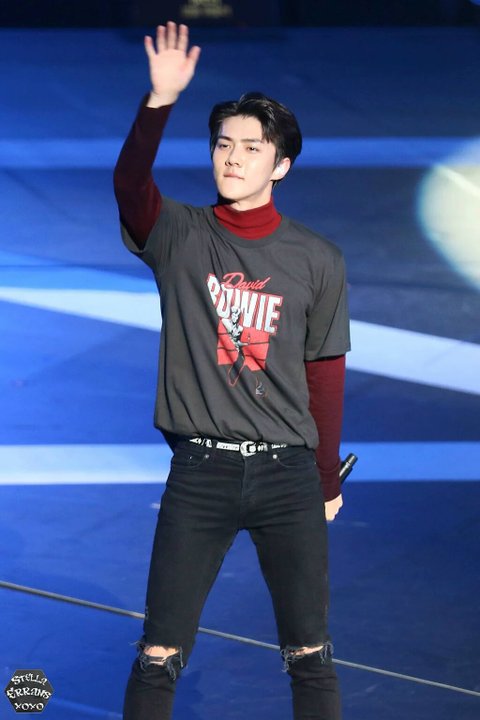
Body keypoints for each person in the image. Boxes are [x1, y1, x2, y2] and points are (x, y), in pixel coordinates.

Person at [114, 21, 350, 720]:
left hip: (288, 476)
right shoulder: (180, 237)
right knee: (158, 655)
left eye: (251, 148)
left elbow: (325, 371)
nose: (233, 158)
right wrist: (160, 101)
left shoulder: (317, 259)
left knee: (311, 656)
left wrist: (325, 478)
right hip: (201, 473)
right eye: (224, 144)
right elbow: (130, 185)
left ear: (281, 165)